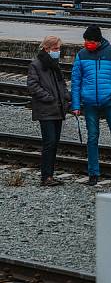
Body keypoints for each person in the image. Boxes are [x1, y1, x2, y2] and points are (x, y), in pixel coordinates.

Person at [71, 25, 111, 186]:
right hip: (90, 103)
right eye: (85, 40)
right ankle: (93, 173)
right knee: (92, 138)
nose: (87, 43)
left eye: (90, 41)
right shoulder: (81, 55)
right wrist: (76, 104)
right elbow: (76, 81)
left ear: (98, 41)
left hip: (109, 102)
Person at [27, 35, 69, 186]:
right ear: (47, 48)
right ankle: (46, 177)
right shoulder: (36, 65)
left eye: (58, 48)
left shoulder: (54, 64)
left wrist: (65, 96)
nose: (58, 51)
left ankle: (49, 175)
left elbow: (62, 84)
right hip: (46, 110)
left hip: (57, 109)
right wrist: (50, 98)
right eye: (56, 48)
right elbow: (33, 86)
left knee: (54, 142)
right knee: (49, 142)